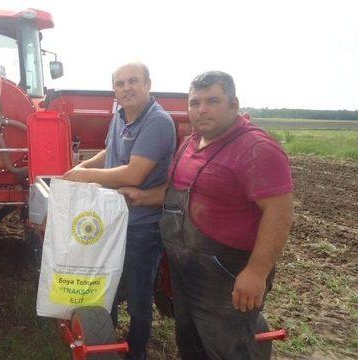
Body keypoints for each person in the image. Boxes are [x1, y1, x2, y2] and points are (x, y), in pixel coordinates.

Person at [124, 71, 294, 359]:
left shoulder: (256, 149)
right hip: (185, 268)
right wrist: (144, 197)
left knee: (228, 348)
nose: (201, 109)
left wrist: (256, 272)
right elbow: (178, 191)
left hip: (225, 274)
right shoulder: (191, 143)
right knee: (190, 342)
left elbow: (280, 213)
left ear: (233, 103)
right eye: (195, 102)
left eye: (212, 101)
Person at [63, 62, 176, 360]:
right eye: (120, 83)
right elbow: (109, 152)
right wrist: (83, 165)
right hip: (113, 218)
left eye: (133, 81)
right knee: (106, 283)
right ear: (114, 89)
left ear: (148, 84)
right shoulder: (120, 116)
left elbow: (133, 175)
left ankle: (137, 351)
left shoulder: (158, 122)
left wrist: (83, 177)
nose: (127, 88)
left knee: (139, 294)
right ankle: (105, 339)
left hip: (142, 224)